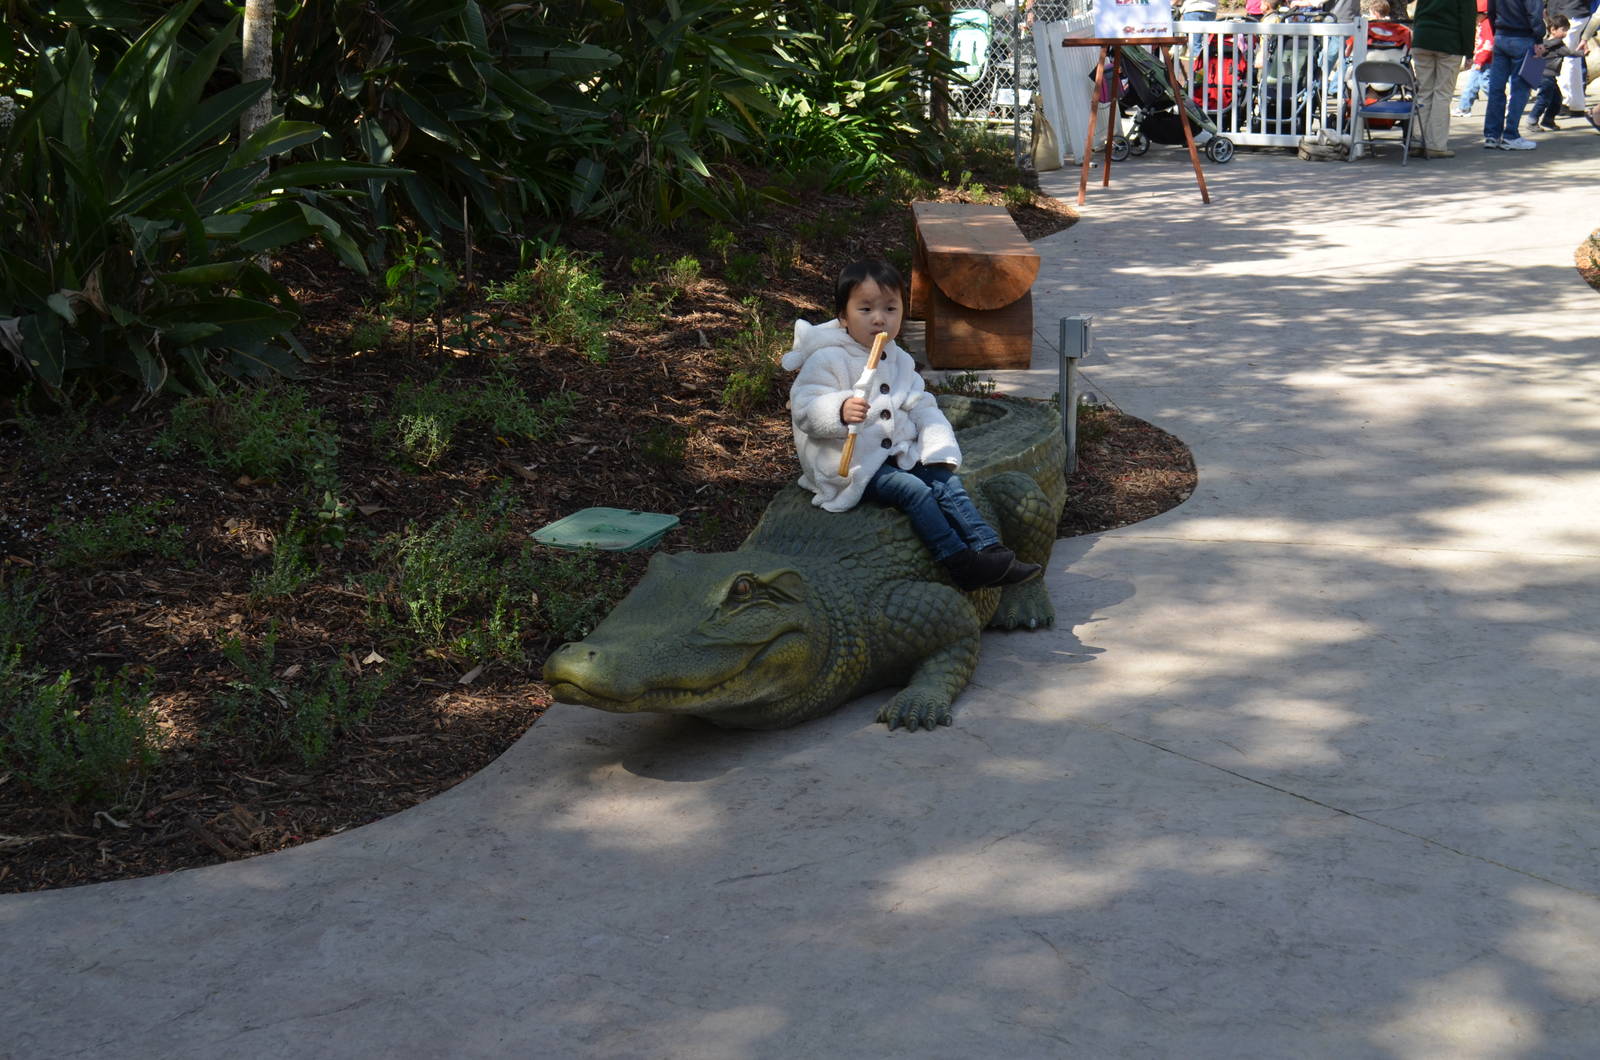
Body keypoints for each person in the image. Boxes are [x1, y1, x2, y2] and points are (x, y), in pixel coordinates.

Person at [781, 261, 1039, 592]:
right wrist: (840, 409)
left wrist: (936, 446)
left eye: (890, 308)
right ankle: (959, 562)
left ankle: (991, 550)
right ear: (843, 316)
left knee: (945, 483)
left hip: (895, 453)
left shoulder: (898, 358)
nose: (879, 318)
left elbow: (920, 404)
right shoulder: (827, 359)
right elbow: (804, 407)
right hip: (850, 464)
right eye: (865, 309)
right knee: (913, 490)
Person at [1411, 0, 1478, 154]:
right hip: (1449, 42)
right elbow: (1467, 20)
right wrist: (1469, 52)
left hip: (1422, 39)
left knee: (1423, 92)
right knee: (1442, 93)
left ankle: (1417, 140)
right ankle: (1435, 144)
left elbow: (1418, 13)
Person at [1481, 0, 1550, 148]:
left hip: (1501, 35)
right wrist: (1539, 38)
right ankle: (1511, 134)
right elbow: (1534, 13)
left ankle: (1492, 135)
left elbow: (1491, 11)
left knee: (1496, 89)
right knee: (1520, 89)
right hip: (1523, 37)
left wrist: (1496, 32)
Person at [1528, 15, 1576, 126]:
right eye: (1563, 30)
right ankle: (1532, 120)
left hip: (1549, 77)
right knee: (1544, 99)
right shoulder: (1556, 44)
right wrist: (1582, 52)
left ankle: (1548, 120)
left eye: (1567, 30)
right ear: (1553, 30)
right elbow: (1569, 53)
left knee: (1557, 99)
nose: (1565, 33)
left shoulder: (1545, 43)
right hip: (1545, 77)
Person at [1548, 0, 1591, 112]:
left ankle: (1565, 101)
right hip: (1572, 11)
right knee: (1572, 60)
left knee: (1565, 58)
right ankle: (1575, 103)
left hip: (1570, 12)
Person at [1454, 6, 1496, 113]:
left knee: (1485, 84)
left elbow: (1488, 45)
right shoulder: (1483, 24)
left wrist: (1480, 60)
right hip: (1480, 59)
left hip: (1485, 61)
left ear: (1483, 14)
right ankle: (1464, 107)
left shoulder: (1487, 25)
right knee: (1472, 84)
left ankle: (1498, 101)